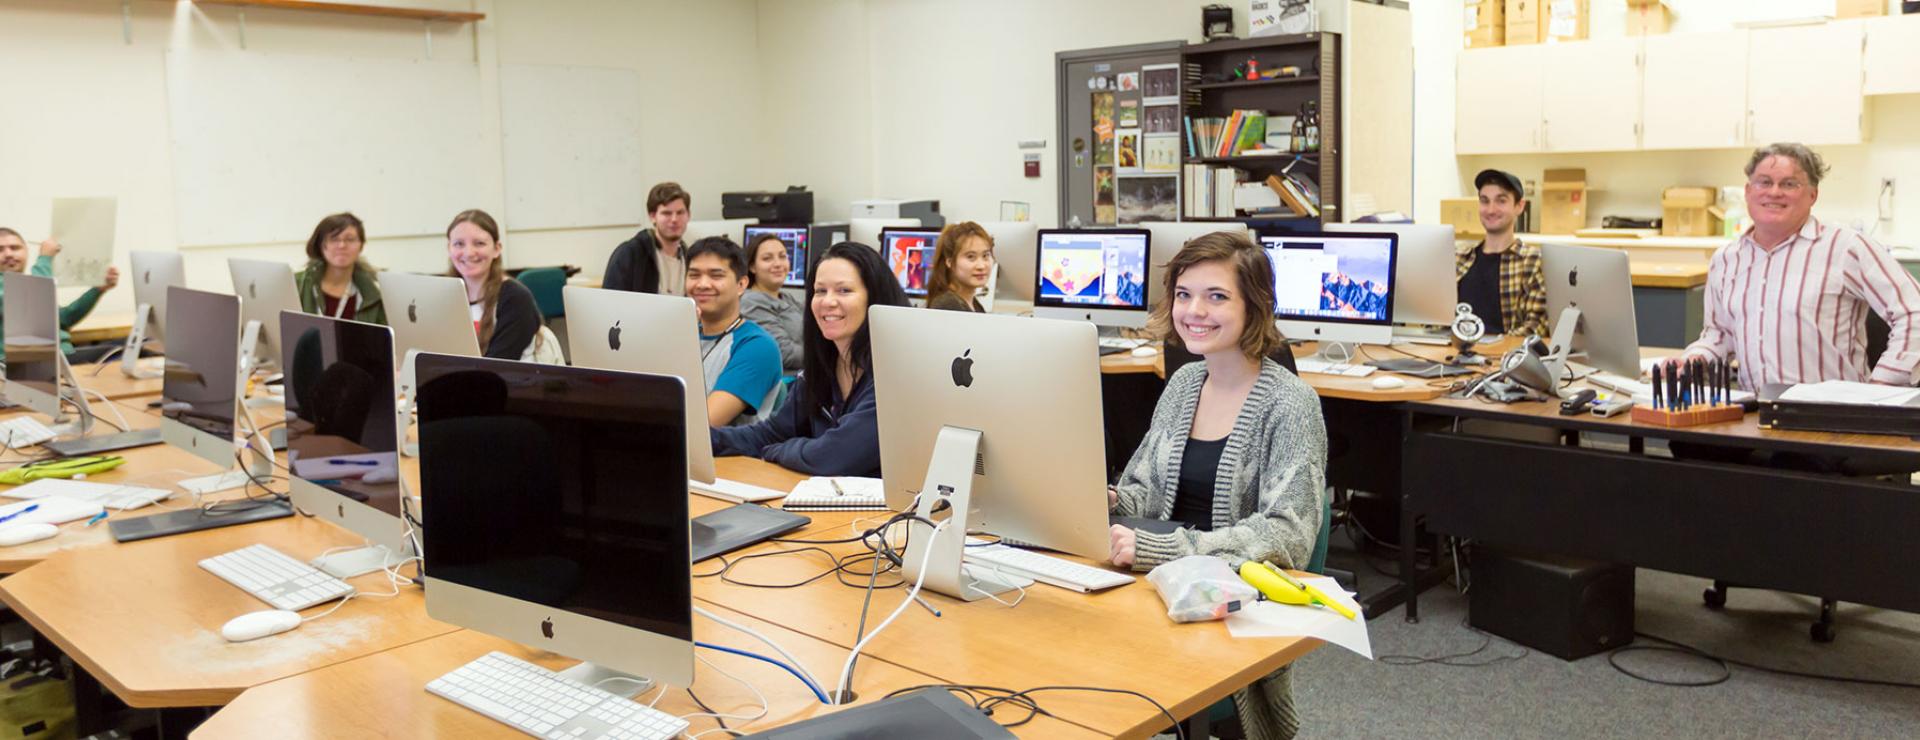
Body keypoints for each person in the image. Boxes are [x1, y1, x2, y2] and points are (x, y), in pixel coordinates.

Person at [1106, 231, 1327, 740]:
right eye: (1183, 294)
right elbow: (1144, 490)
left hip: (1223, 607)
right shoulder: (1184, 383)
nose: (1193, 310)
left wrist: (1163, 550)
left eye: (1217, 296)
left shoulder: (1291, 405)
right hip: (1153, 588)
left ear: (1256, 306)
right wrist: (1110, 501)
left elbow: (1286, 536)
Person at [1681, 143, 1920, 388]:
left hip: (1831, 415)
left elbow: (1913, 311)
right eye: (1764, 182)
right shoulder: (1726, 259)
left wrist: (1884, 384)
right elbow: (1719, 334)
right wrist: (1692, 360)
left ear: (1812, 195)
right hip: (1755, 416)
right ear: (1748, 191)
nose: (1774, 192)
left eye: (1789, 184)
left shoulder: (1846, 247)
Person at [712, 241, 909, 476]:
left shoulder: (895, 375)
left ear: (874, 298)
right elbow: (769, 434)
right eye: (820, 291)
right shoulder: (821, 371)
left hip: (886, 510)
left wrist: (780, 450)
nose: (828, 301)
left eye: (844, 290)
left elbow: (834, 456)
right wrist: (698, 437)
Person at [684, 236, 783, 427]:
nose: (702, 284)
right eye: (694, 275)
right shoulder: (682, 336)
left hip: (725, 454)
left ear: (741, 285)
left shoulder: (757, 347)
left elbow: (703, 424)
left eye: (716, 275)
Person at [1455, 169, 1547, 338]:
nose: (1491, 210)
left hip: (1503, 361)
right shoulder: (1459, 259)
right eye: (1484, 201)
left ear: (1519, 206)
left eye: (1501, 201)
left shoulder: (1533, 262)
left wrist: (1490, 348)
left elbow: (1536, 327)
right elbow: (1437, 322)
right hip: (1452, 357)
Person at [0, 229, 118, 359]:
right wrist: (45, 259)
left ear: (26, 251)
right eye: (0, 250)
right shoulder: (24, 289)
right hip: (26, 364)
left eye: (15, 248)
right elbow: (37, 298)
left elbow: (64, 319)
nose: (8, 254)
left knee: (127, 349)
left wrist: (98, 290)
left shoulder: (26, 285)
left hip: (60, 358)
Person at [444, 209, 542, 361]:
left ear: (497, 249)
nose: (469, 252)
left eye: (479, 243)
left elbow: (497, 370)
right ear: (449, 249)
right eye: (459, 244)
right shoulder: (444, 296)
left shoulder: (515, 299)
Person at [294, 212, 387, 325]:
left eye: (350, 239)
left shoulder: (374, 295)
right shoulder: (297, 285)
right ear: (321, 245)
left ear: (361, 245)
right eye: (334, 239)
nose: (342, 245)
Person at [604, 182, 692, 295]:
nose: (674, 219)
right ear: (653, 216)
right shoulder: (629, 254)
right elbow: (611, 301)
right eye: (666, 213)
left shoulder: (690, 258)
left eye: (680, 212)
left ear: (688, 215)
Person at [740, 232, 805, 373]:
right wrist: (825, 353)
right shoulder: (752, 302)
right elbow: (784, 353)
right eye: (767, 258)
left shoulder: (786, 297)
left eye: (782, 256)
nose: (778, 264)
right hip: (785, 384)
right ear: (752, 267)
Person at [925, 221, 995, 313]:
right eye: (971, 257)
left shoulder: (972, 303)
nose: (981, 266)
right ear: (950, 262)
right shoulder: (948, 305)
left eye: (985, 255)